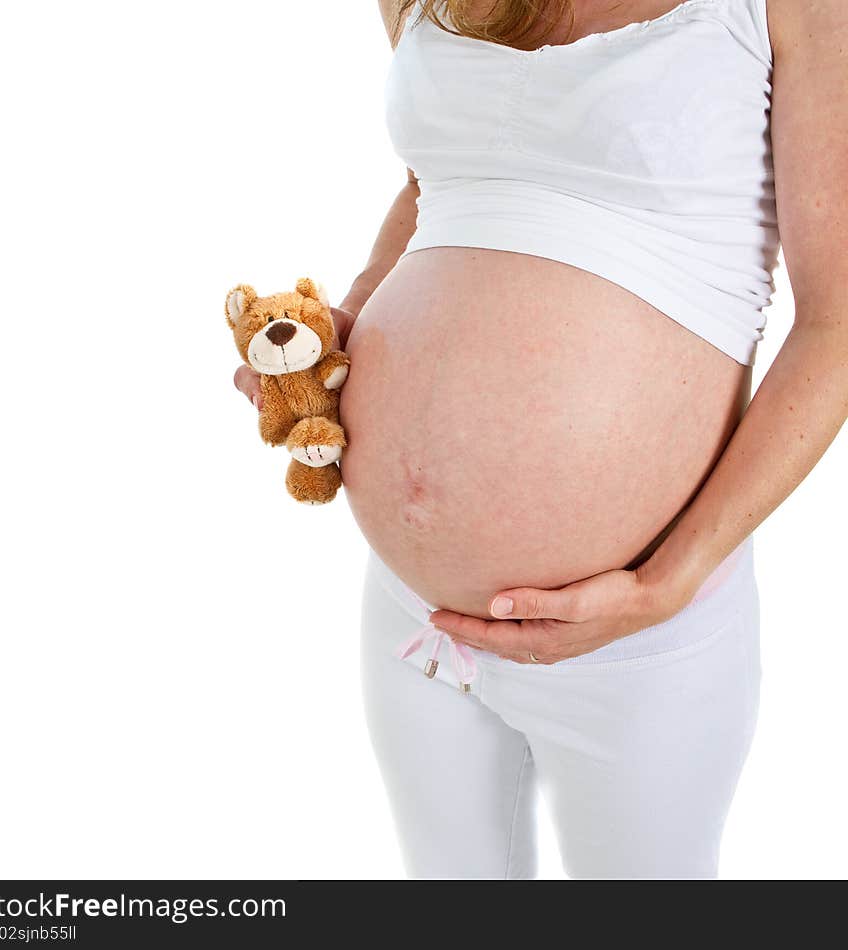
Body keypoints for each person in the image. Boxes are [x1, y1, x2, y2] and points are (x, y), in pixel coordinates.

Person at [234, 0, 847, 878]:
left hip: (633, 625)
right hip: (416, 620)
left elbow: (837, 323)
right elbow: (438, 179)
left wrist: (670, 581)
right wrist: (350, 318)